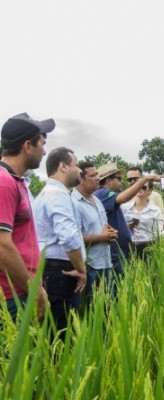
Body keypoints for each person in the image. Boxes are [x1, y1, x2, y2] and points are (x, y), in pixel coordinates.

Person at [0, 113, 51, 321]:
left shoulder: (16, 180)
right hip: (13, 294)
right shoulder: (4, 182)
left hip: (22, 289)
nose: (45, 151)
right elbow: (2, 246)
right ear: (28, 146)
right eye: (42, 143)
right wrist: (34, 290)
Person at [33, 147, 87, 332]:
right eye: (77, 165)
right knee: (62, 333)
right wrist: (81, 269)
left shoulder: (46, 194)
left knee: (54, 329)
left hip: (51, 269)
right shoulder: (58, 195)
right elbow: (68, 237)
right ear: (63, 166)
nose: (80, 170)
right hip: (60, 272)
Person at [95, 164, 161, 276]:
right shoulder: (103, 193)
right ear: (109, 180)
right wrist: (144, 179)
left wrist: (127, 226)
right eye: (119, 178)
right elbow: (123, 198)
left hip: (122, 252)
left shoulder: (106, 196)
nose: (122, 182)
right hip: (115, 254)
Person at [72, 162, 117, 305]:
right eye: (93, 175)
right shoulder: (73, 203)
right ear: (81, 179)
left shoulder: (97, 200)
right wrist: (103, 237)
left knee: (106, 311)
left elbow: (103, 228)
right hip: (89, 267)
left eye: (97, 174)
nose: (98, 178)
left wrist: (110, 233)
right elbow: (73, 238)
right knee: (90, 312)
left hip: (105, 263)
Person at [123, 181, 164, 259]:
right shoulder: (124, 208)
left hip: (148, 247)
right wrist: (129, 226)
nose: (140, 189)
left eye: (144, 187)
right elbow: (120, 228)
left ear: (149, 191)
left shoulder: (155, 210)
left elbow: (158, 232)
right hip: (129, 246)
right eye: (137, 186)